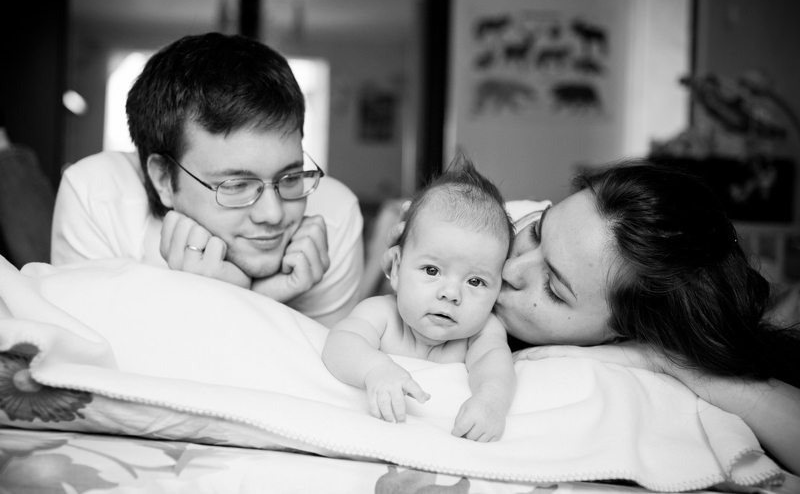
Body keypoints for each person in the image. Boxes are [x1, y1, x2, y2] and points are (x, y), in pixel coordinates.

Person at [382, 158, 800, 474]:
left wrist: (660, 359)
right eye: (537, 232)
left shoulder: (640, 344)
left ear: (621, 333)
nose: (510, 269)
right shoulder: (487, 226)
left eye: (553, 289)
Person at [50, 33, 364, 327]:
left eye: (290, 177)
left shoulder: (334, 218)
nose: (273, 214)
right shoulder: (96, 197)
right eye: (236, 185)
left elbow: (324, 368)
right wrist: (223, 301)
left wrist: (249, 300)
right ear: (163, 178)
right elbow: (91, 362)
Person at [323, 158, 516, 442]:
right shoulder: (382, 314)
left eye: (475, 281)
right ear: (396, 269)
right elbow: (339, 344)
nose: (450, 294)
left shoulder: (482, 332)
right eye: (432, 270)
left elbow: (496, 365)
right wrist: (375, 369)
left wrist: (491, 400)